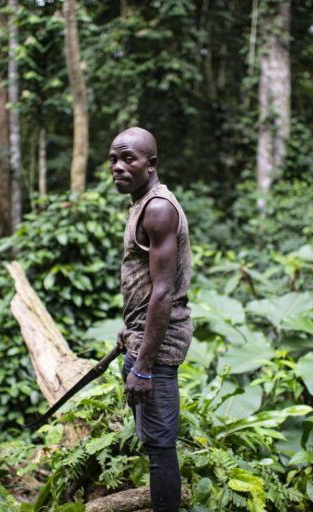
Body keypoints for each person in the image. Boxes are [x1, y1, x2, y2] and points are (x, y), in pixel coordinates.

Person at [109, 127, 192, 512]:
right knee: (150, 439)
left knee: (160, 447)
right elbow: (145, 281)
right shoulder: (141, 202)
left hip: (156, 349)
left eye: (129, 159)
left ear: (151, 164)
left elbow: (163, 291)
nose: (118, 167)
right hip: (143, 337)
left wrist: (143, 367)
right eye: (113, 159)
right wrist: (132, 329)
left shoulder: (159, 208)